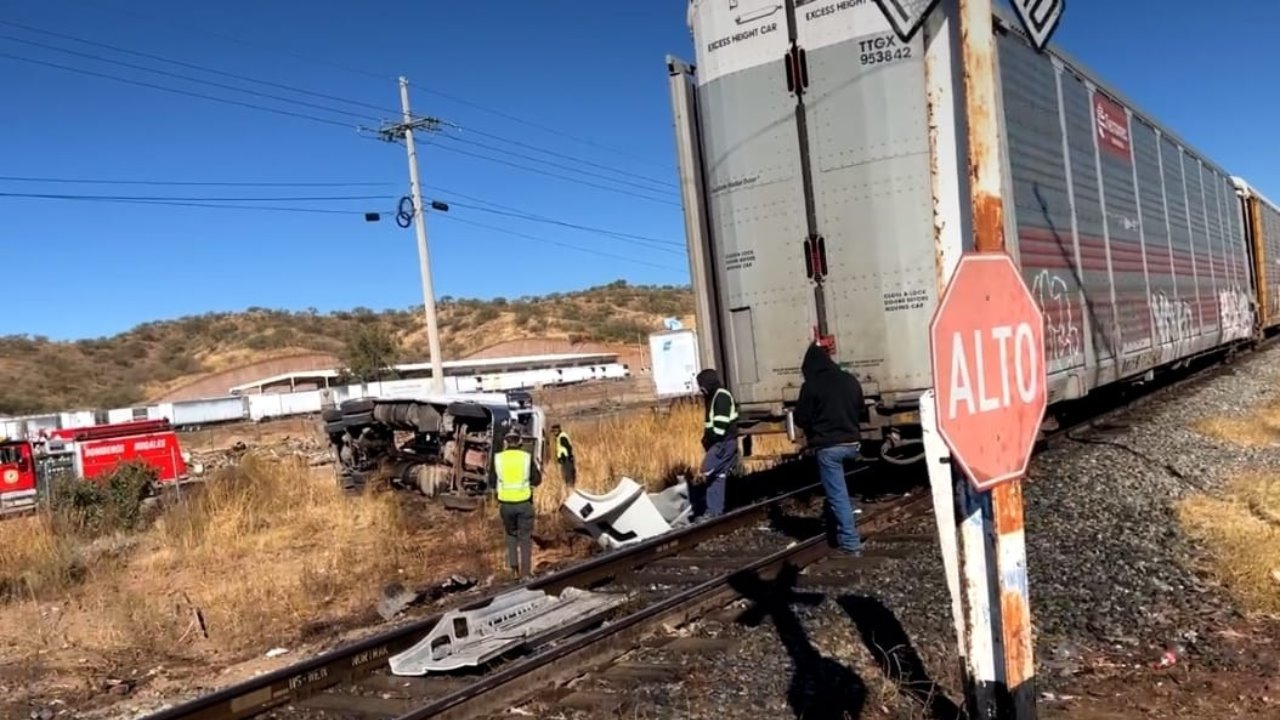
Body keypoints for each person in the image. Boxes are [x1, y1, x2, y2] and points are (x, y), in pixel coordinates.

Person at [793, 342, 865, 556]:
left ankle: (851, 544)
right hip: (853, 443)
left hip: (829, 448)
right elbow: (860, 408)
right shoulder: (849, 380)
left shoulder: (812, 386)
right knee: (844, 491)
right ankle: (845, 524)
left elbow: (801, 418)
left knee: (838, 496)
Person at [493, 429, 541, 580]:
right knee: (525, 538)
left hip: (506, 505)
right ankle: (526, 573)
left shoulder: (498, 458)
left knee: (510, 534)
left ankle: (513, 569)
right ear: (520, 441)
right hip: (523, 503)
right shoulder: (526, 457)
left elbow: (495, 479)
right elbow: (537, 480)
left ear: (506, 442)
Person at [693, 368, 739, 520]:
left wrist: (709, 438)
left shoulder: (721, 397)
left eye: (702, 385)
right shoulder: (713, 396)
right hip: (720, 443)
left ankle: (710, 508)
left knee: (707, 470)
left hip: (723, 443)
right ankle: (714, 511)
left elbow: (719, 428)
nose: (701, 389)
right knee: (717, 476)